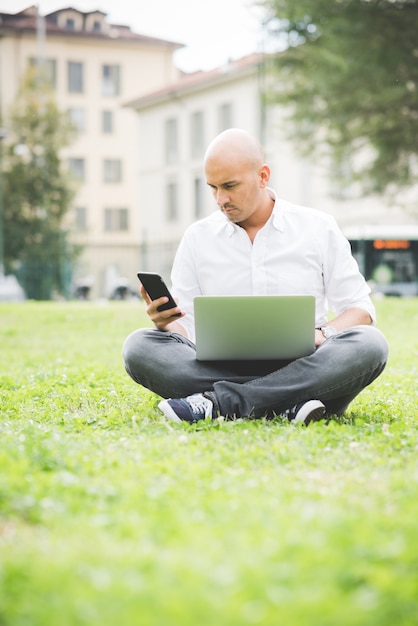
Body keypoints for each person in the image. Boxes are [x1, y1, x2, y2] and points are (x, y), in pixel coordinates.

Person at [123, 129, 388, 425]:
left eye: (230, 186)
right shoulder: (197, 238)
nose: (221, 199)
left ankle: (217, 403)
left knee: (370, 344)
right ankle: (289, 404)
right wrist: (166, 322)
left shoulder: (317, 228)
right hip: (224, 369)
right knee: (139, 347)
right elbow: (184, 327)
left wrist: (322, 334)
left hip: (306, 364)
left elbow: (360, 310)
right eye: (213, 188)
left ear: (263, 176)